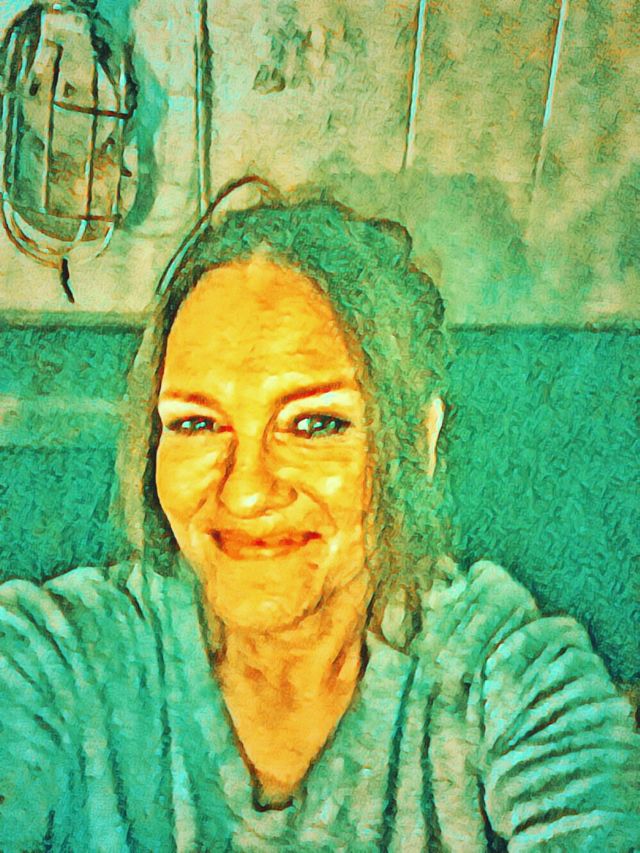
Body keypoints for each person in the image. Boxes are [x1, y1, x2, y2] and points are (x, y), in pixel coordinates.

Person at [0, 194, 638, 852]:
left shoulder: (506, 672)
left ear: (416, 442)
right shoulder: (61, 656)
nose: (247, 492)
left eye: (314, 423)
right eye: (196, 423)